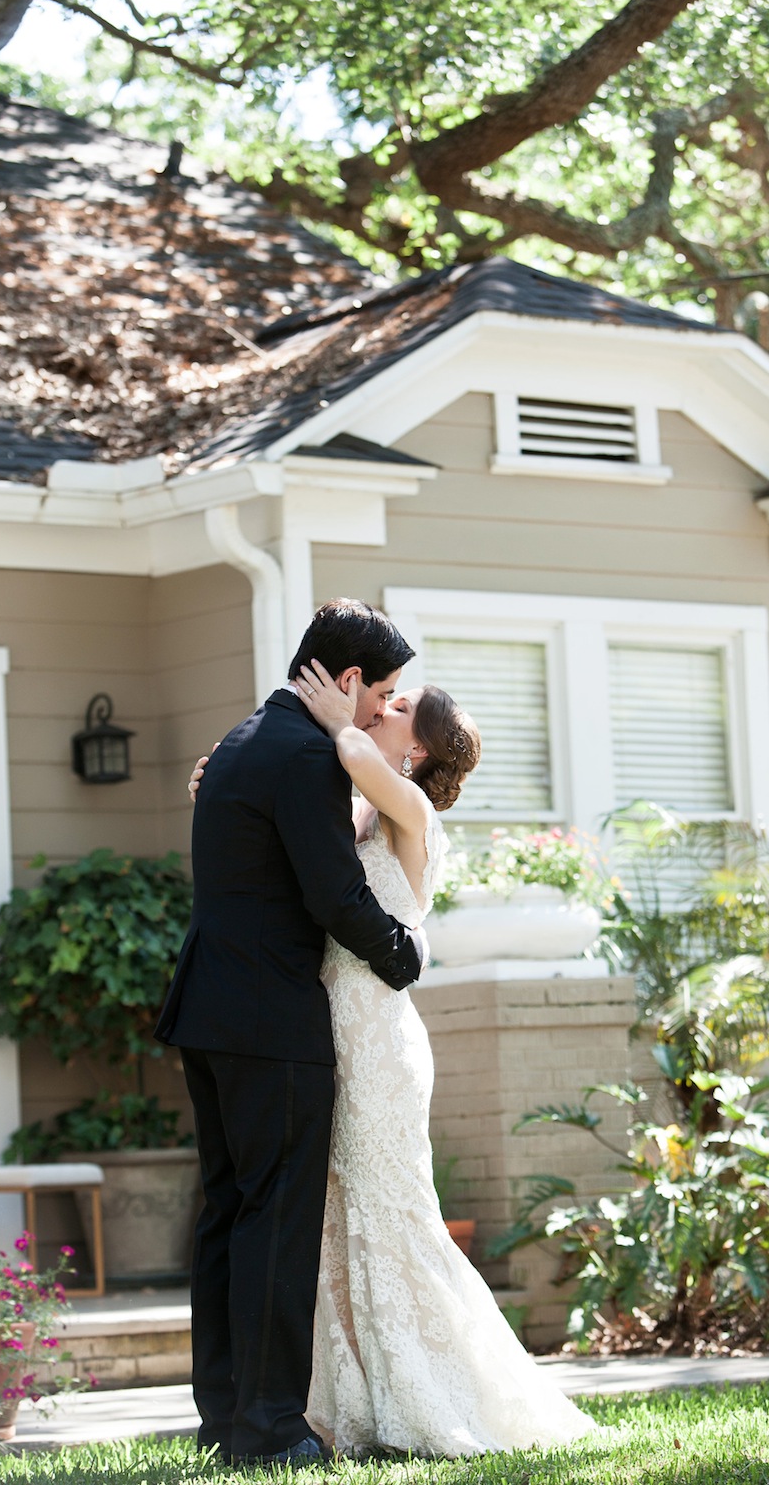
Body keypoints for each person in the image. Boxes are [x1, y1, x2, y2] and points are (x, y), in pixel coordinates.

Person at [189, 659, 597, 1457]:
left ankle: (434, 1390)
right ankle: (341, 1402)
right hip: (318, 1027)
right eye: (382, 693)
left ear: (416, 751)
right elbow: (283, 853)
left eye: (399, 704)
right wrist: (221, 786)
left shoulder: (407, 808)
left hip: (376, 1039)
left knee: (389, 1211)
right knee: (331, 1216)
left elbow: (350, 755)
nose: (382, 704)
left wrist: (332, 712)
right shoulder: (353, 817)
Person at [155, 599, 429, 1465]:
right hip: (271, 1015)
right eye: (381, 693)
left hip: (208, 1006)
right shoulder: (307, 755)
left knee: (228, 1213)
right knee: (276, 1217)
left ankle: (224, 1418)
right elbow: (334, 894)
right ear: (346, 682)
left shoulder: (238, 742)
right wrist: (404, 954)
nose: (386, 708)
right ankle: (271, 1429)